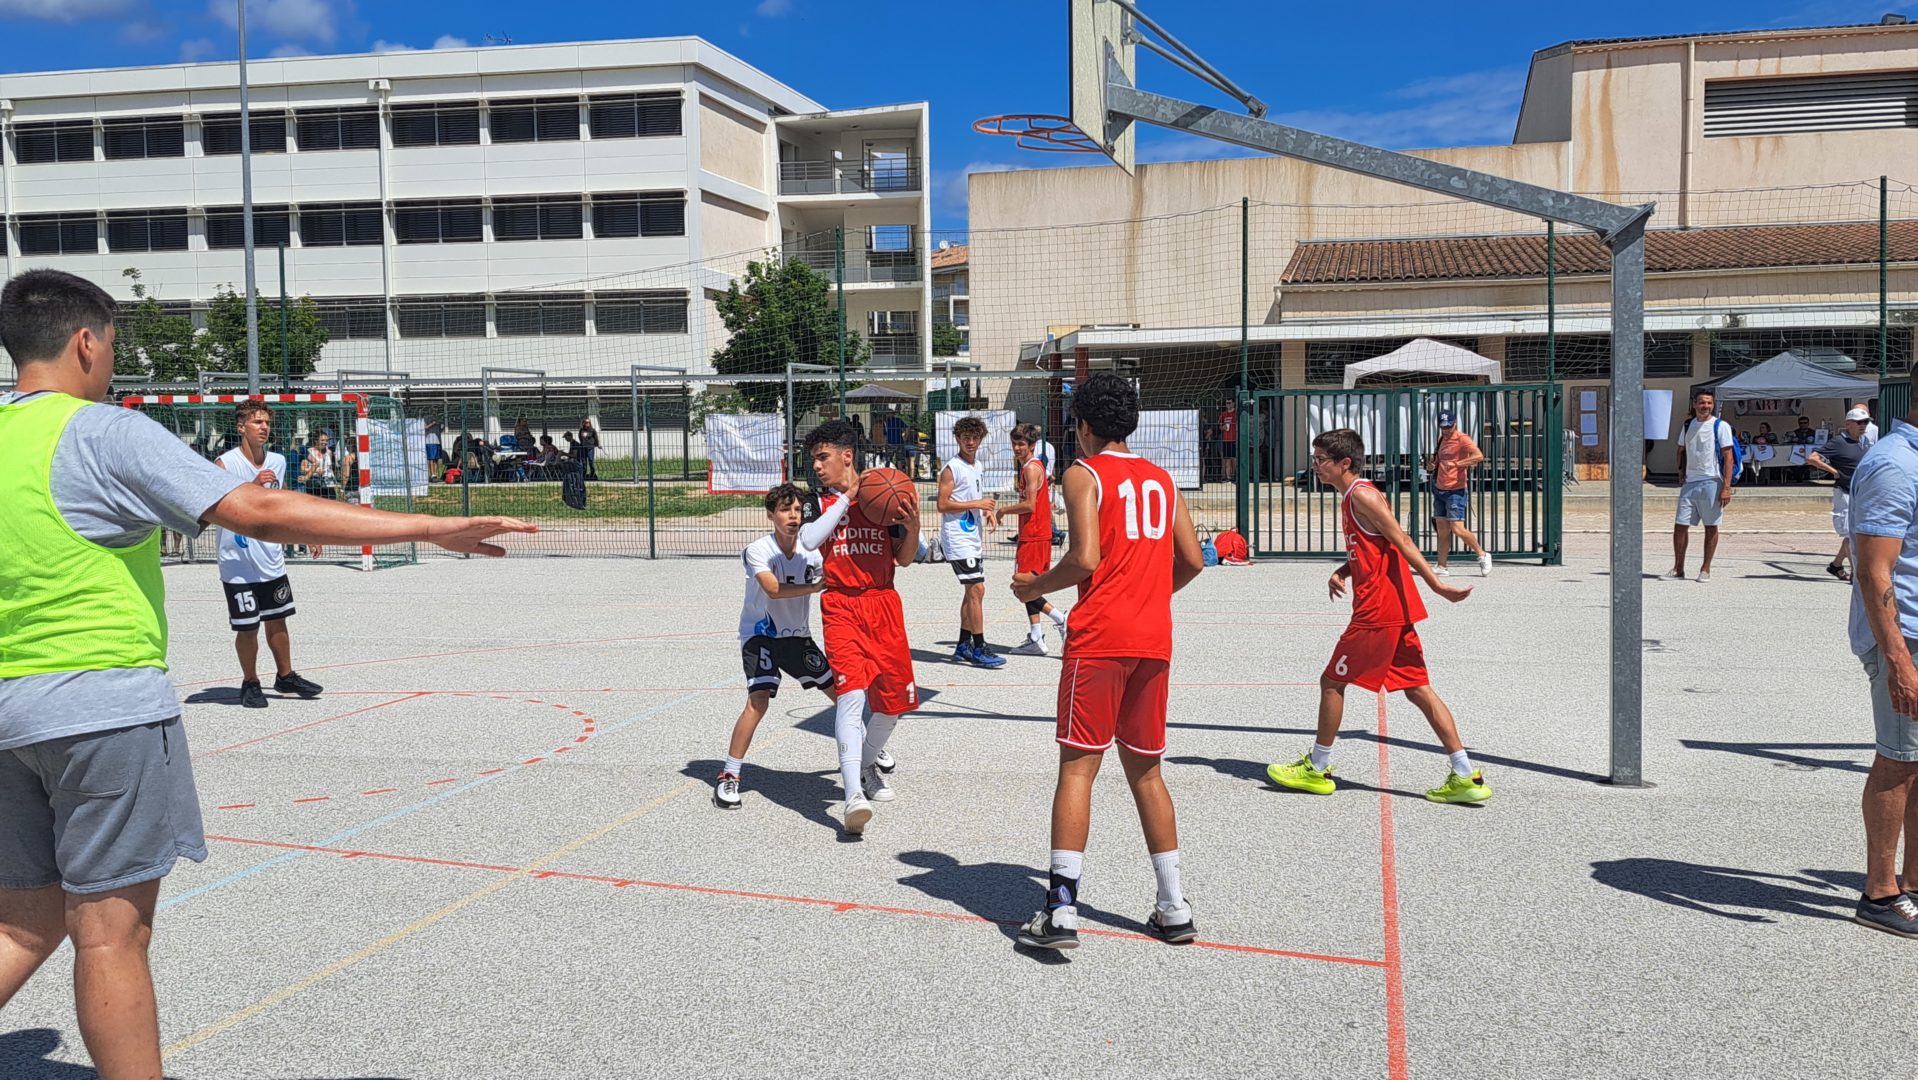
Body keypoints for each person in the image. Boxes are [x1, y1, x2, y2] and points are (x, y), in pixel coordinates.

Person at [0, 269, 535, 1080]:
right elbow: (254, 510)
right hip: (101, 708)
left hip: (8, 715)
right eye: (110, 344)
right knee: (110, 935)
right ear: (85, 342)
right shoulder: (103, 431)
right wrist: (428, 526)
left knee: (21, 924)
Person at [1010, 372, 1208, 950]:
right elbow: (1194, 561)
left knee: (1078, 769)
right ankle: (1173, 906)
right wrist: (1147, 594)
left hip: (1100, 638)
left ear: (1083, 426)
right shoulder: (1162, 478)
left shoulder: (1084, 472)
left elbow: (1085, 557)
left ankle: (1061, 910)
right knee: (1147, 771)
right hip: (1153, 637)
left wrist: (1034, 587)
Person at [1266, 427, 1488, 804]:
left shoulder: (1362, 495)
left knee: (1332, 682)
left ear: (1344, 463)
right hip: (1393, 610)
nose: (1315, 466)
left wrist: (1437, 585)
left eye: (1321, 460)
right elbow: (1374, 548)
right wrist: (1344, 570)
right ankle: (1466, 775)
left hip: (1377, 611)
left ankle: (1317, 768)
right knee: (1418, 689)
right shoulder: (1354, 496)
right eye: (1315, 459)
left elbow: (1401, 540)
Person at [798, 418, 920, 835]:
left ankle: (866, 766)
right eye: (814, 459)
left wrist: (914, 525)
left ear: (847, 456)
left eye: (823, 457)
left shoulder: (882, 492)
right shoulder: (817, 502)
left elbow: (905, 558)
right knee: (850, 698)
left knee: (892, 705)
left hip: (883, 603)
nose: (816, 466)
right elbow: (809, 540)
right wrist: (847, 499)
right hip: (842, 605)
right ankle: (853, 796)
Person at [715, 483, 837, 809]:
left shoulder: (812, 551)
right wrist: (816, 587)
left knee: (842, 695)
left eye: (797, 510)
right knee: (758, 701)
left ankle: (867, 752)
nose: (793, 516)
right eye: (785, 510)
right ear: (771, 515)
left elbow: (836, 577)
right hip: (761, 634)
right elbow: (772, 589)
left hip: (797, 636)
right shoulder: (758, 550)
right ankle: (729, 775)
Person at [1845, 397, 1918, 937]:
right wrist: (1898, 660)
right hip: (1906, 636)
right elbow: (1874, 570)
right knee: (1900, 760)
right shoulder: (1894, 463)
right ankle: (1880, 893)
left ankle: (1912, 883)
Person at [215, 402, 324, 709]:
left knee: (278, 619)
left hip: (270, 558)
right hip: (237, 562)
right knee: (247, 626)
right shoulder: (225, 463)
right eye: (257, 422)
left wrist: (306, 534)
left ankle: (285, 676)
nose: (263, 427)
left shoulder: (277, 461)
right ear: (241, 427)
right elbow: (215, 507)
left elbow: (283, 506)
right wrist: (251, 487)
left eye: (266, 422)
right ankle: (250, 682)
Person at [937, 416, 1004, 668]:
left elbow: (972, 497)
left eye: (975, 438)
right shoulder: (951, 468)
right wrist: (978, 503)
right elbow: (942, 504)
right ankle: (980, 646)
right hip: (957, 537)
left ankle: (963, 645)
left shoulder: (977, 466)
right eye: (966, 438)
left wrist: (986, 511)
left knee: (972, 590)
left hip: (972, 535)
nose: (971, 442)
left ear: (981, 440)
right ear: (958, 439)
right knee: (977, 589)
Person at [1001, 423, 1069, 656]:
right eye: (1014, 444)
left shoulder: (1030, 468)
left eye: (1021, 444)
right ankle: (1036, 637)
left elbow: (1029, 505)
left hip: (1034, 535)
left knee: (1022, 587)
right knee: (1030, 586)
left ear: (1031, 445)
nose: (1017, 448)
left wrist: (1003, 510)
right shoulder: (1033, 466)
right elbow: (1044, 485)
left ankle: (1061, 619)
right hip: (1035, 533)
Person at [1670, 390, 1736, 583]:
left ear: (1713, 405)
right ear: (1695, 404)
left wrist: (1726, 487)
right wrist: (1680, 470)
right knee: (1680, 526)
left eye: (1709, 403)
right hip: (1690, 482)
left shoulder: (1720, 426)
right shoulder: (1688, 425)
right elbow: (1681, 449)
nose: (1705, 406)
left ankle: (1705, 568)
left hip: (1712, 481)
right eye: (1701, 402)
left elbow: (1728, 457)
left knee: (1711, 526)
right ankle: (1678, 568)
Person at [1423, 409, 1492, 577]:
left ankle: (1482, 554)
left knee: (1457, 528)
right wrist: (1432, 466)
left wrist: (1458, 464)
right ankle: (1442, 566)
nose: (1446, 430)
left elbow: (1478, 456)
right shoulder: (1441, 439)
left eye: (1449, 426)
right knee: (1442, 529)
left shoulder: (1462, 439)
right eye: (1443, 427)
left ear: (1455, 423)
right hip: (1440, 488)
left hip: (1456, 490)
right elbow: (1439, 461)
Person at [1810, 408, 1872, 583]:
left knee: (1854, 532)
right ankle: (1855, 573)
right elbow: (1812, 458)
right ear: (1848, 424)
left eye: (1866, 422)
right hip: (1844, 492)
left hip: (1859, 492)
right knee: (1850, 534)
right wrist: (1834, 472)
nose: (1863, 425)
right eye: (1859, 422)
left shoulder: (1864, 441)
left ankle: (1836, 565)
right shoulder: (1838, 442)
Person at [300, 430, 339, 497]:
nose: (325, 442)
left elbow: (331, 468)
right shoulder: (310, 452)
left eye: (326, 441)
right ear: (316, 441)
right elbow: (302, 470)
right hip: (314, 484)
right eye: (322, 440)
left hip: (329, 484)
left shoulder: (329, 452)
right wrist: (316, 471)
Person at [1218, 399, 1237, 484]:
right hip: (1226, 439)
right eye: (1226, 403)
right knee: (1227, 460)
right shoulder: (1223, 414)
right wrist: (1223, 427)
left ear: (1233, 403)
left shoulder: (1236, 413)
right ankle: (1228, 477)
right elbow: (1220, 426)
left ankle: (1235, 476)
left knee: (1235, 459)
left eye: (1229, 403)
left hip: (1235, 439)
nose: (1228, 404)